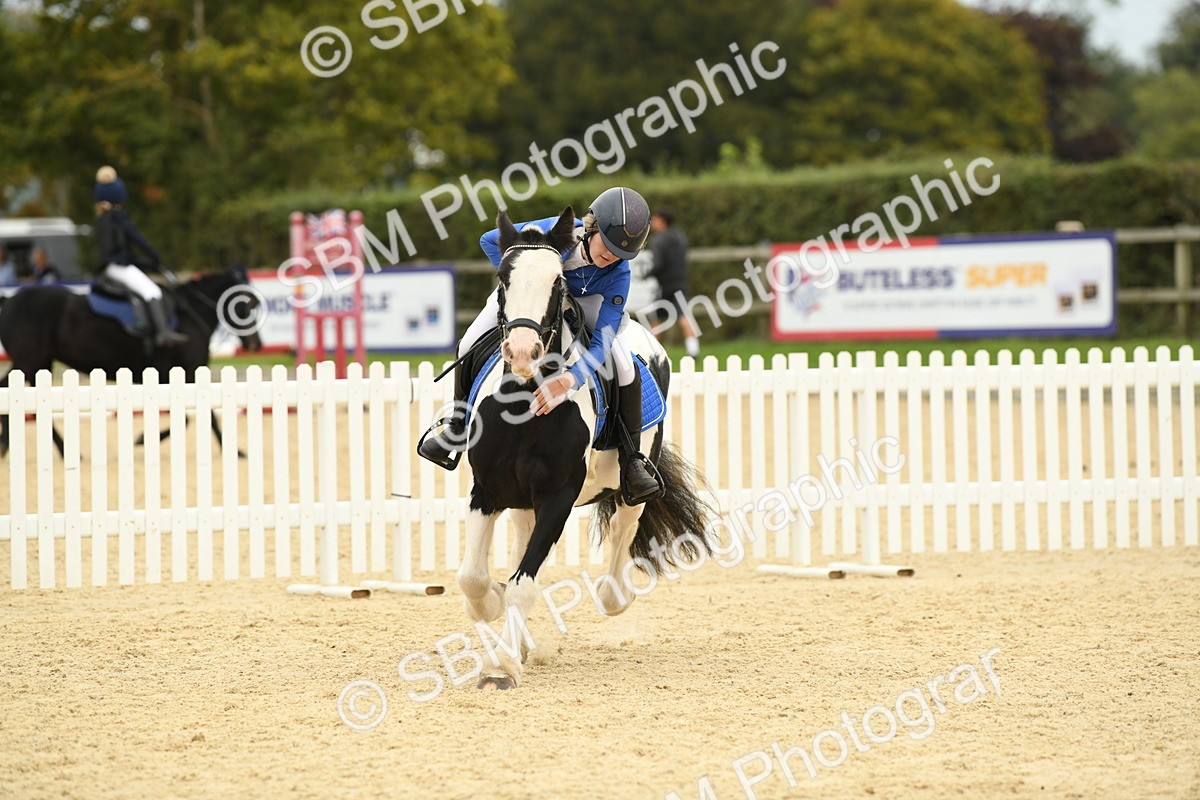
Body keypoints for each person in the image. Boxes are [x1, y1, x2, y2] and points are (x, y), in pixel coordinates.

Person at [418, 187, 663, 504]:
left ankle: (631, 460)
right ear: (592, 227)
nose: (612, 257)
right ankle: (458, 425)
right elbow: (490, 240)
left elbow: (603, 338)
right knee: (467, 344)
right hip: (530, 294)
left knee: (625, 365)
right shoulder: (556, 231)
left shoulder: (619, 274)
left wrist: (572, 378)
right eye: (608, 244)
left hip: (587, 303)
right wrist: (516, 278)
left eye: (622, 253)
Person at [92, 166, 186, 347]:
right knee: (152, 291)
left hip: (110, 268)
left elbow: (123, 252)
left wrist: (146, 263)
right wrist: (155, 257)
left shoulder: (102, 217)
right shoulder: (118, 217)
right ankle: (163, 334)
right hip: (119, 267)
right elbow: (138, 239)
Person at [649, 207, 700, 357]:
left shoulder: (658, 240)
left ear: (662, 221)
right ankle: (693, 350)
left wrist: (648, 273)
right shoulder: (680, 237)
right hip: (679, 283)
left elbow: (658, 264)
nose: (652, 222)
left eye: (655, 219)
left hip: (664, 286)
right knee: (684, 316)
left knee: (656, 319)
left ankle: (652, 353)